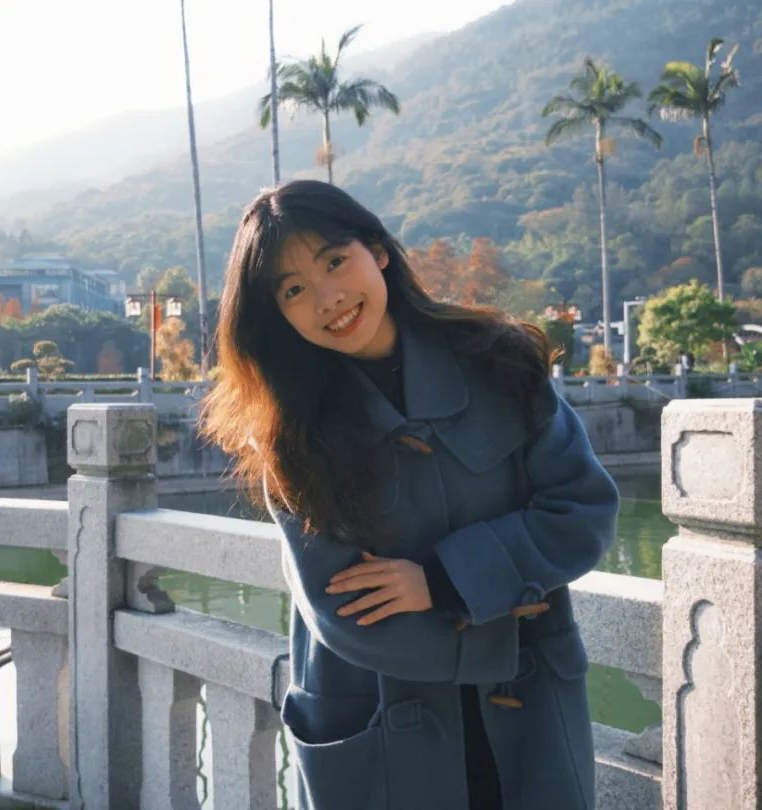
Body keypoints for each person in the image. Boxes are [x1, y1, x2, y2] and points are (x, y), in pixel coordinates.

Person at [199, 180, 619, 810]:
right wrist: (503, 608)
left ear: (377, 250)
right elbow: (344, 609)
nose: (329, 299)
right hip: (381, 715)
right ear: (275, 315)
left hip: (528, 703)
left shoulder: (500, 363)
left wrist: (444, 584)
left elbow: (583, 510)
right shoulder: (290, 433)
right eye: (293, 291)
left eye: (334, 262)